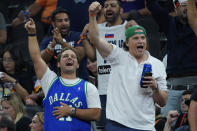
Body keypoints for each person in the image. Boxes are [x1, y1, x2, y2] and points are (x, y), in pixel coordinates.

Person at [88, 2, 168, 130]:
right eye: (135, 38)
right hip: (118, 124)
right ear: (127, 42)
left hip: (145, 126)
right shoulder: (118, 56)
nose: (140, 41)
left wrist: (155, 87)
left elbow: (163, 102)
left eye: (143, 38)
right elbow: (95, 39)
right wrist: (92, 16)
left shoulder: (157, 64)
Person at [25, 18, 101, 131]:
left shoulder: (88, 86)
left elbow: (96, 114)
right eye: (65, 56)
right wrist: (32, 33)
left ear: (78, 65)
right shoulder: (50, 81)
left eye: (73, 56)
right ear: (59, 64)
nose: (69, 57)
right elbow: (36, 58)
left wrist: (71, 111)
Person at [147, 0, 197, 117]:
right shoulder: (169, 23)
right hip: (172, 89)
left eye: (189, 6)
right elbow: (151, 5)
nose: (186, 9)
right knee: (165, 122)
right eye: (183, 5)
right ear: (175, 7)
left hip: (195, 89)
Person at [40, 7, 90, 81]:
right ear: (53, 24)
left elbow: (79, 55)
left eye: (66, 20)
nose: (64, 23)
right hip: (58, 84)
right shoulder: (47, 41)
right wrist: (52, 45)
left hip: (80, 82)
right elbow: (41, 61)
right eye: (60, 21)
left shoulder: (78, 36)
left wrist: (62, 42)